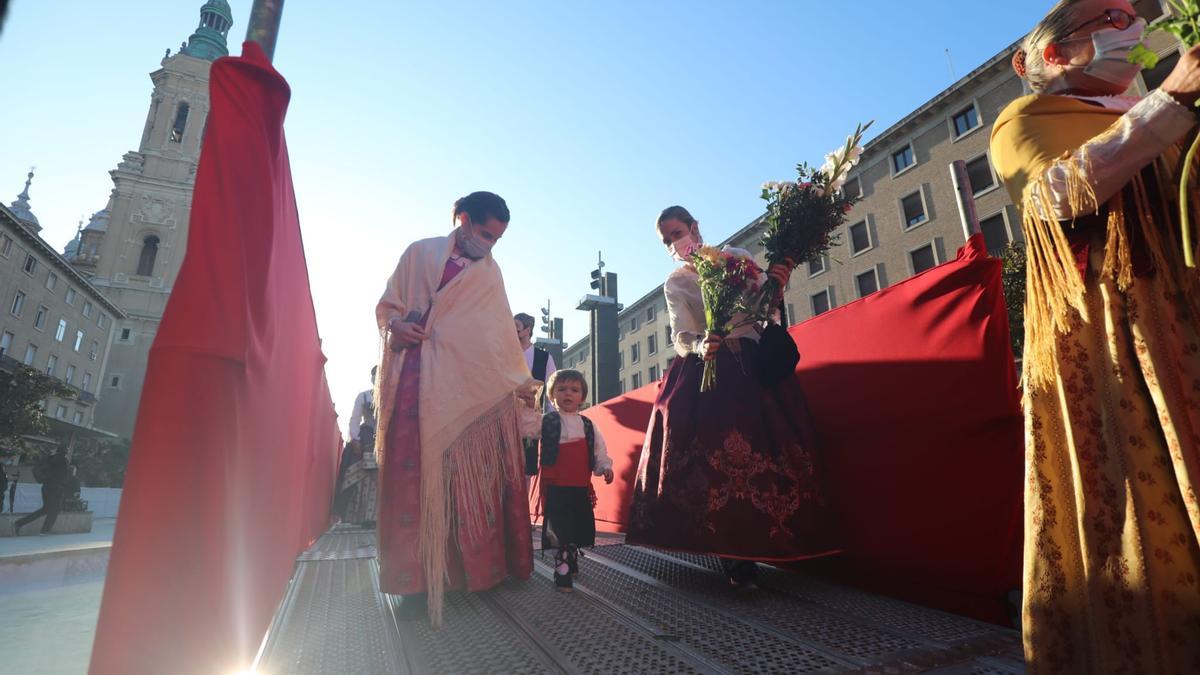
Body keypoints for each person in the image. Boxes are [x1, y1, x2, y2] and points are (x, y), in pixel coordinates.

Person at [990, 2, 1200, 670]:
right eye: (1110, 16)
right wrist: (1171, 100)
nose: (1131, 27)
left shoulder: (1140, 108)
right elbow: (1057, 195)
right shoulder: (1022, 121)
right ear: (1055, 55)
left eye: (1133, 13)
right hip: (1118, 330)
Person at [626, 206, 839, 586]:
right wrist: (699, 347)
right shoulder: (676, 281)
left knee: (772, 448)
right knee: (713, 458)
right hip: (708, 367)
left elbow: (763, 311)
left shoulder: (738, 259)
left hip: (754, 365)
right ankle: (731, 555)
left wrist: (777, 284)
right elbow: (680, 334)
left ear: (694, 227)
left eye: (677, 232)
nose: (675, 244)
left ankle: (777, 541)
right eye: (667, 240)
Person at [374, 191, 537, 625]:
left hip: (469, 390)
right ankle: (412, 582)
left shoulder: (491, 275)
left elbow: (498, 334)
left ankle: (475, 572)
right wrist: (395, 329)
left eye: (497, 239)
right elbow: (388, 307)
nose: (488, 245)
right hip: (416, 379)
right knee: (415, 479)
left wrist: (515, 382)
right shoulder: (419, 253)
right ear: (462, 219)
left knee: (467, 479)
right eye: (485, 233)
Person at [534, 369, 613, 592]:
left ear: (582, 396)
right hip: (556, 485)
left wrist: (605, 467)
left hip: (579, 486)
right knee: (560, 527)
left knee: (577, 526)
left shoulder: (588, 425)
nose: (567, 394)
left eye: (574, 390)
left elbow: (599, 450)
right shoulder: (546, 422)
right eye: (561, 389)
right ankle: (563, 571)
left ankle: (570, 555)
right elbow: (526, 428)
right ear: (551, 396)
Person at [334, 366, 379, 525]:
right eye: (375, 374)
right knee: (361, 477)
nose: (377, 376)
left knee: (380, 478)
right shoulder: (364, 396)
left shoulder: (392, 395)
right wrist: (356, 439)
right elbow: (355, 419)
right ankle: (358, 516)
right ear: (371, 378)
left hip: (386, 439)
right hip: (366, 438)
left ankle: (378, 518)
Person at [516, 312, 556, 477]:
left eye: (516, 327)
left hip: (530, 425)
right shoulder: (502, 354)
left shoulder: (544, 357)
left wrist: (553, 423)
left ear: (528, 329)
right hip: (503, 422)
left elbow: (552, 392)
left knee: (526, 473)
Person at [15, 446, 70, 535]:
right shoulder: (63, 460)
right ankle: (45, 530)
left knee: (46, 509)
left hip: (46, 486)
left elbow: (37, 469)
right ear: (65, 451)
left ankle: (19, 523)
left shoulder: (48, 459)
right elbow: (66, 477)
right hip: (56, 488)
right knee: (55, 510)